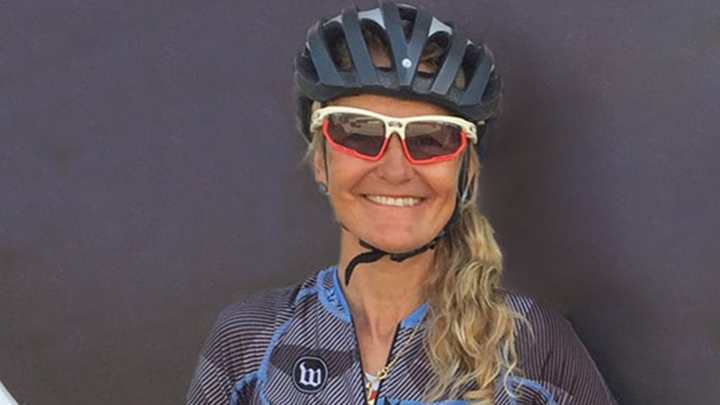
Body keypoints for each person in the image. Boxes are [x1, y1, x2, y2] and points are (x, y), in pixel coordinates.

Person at [187, 2, 618, 404]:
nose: (395, 170)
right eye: (359, 132)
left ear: (467, 171)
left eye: (431, 138)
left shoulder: (534, 348)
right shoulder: (250, 340)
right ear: (320, 162)